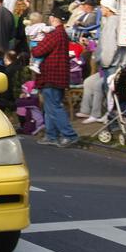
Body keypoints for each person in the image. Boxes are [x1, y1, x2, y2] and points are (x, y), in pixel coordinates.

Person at [31, 8, 79, 147]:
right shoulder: (62, 34)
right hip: (58, 75)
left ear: (53, 18)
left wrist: (34, 45)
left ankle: (69, 134)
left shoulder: (54, 34)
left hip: (51, 75)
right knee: (50, 106)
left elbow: (38, 51)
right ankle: (51, 135)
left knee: (54, 107)